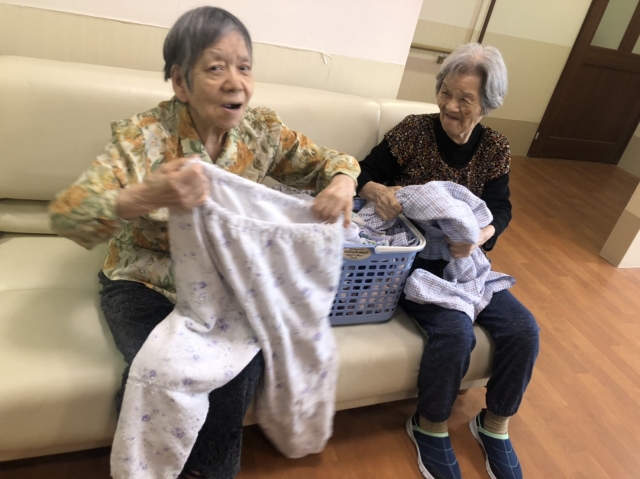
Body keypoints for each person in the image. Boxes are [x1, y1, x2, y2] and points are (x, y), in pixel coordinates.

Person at [49, 7, 360, 479]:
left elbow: (332, 161)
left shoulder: (262, 131)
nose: (236, 83)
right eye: (216, 68)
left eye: (244, 67)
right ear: (180, 82)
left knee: (238, 375)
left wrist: (341, 182)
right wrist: (148, 194)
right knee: (165, 371)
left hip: (226, 282)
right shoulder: (145, 137)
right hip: (145, 281)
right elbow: (68, 213)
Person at [357, 43, 539, 479]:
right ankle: (429, 424)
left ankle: (493, 425)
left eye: (465, 99)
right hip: (413, 262)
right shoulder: (413, 131)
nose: (450, 106)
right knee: (455, 333)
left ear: (487, 103)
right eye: (446, 93)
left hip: (464, 263)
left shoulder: (495, 147)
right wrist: (377, 192)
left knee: (523, 330)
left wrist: (478, 236)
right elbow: (362, 171)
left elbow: (500, 208)